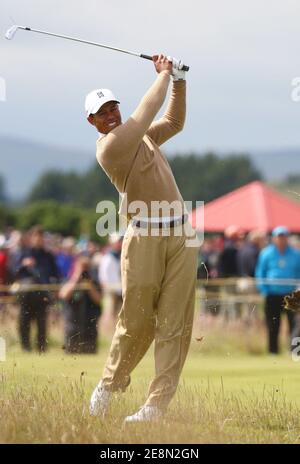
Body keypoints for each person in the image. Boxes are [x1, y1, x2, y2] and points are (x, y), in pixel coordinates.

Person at [85, 54, 198, 422]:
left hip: (181, 232)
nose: (112, 114)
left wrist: (179, 81)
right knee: (137, 321)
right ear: (93, 122)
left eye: (114, 106)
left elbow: (173, 121)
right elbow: (146, 114)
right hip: (144, 235)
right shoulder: (110, 148)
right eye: (103, 112)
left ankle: (155, 406)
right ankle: (109, 384)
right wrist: (164, 74)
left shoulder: (141, 137)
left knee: (174, 323)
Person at [255, 226, 300, 354]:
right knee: (273, 324)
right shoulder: (266, 253)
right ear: (274, 238)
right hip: (272, 295)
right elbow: (260, 273)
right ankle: (273, 352)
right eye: (279, 237)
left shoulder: (296, 254)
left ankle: (295, 351)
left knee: (295, 324)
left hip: (292, 295)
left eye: (284, 237)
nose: (281, 239)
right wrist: (264, 290)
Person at [16, 225, 59, 352]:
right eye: (36, 237)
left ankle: (41, 348)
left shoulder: (48, 255)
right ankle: (25, 347)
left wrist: (54, 288)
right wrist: (23, 265)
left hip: (42, 294)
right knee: (24, 322)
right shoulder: (24, 253)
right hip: (26, 295)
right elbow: (15, 271)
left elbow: (54, 274)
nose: (38, 240)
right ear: (31, 238)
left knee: (42, 323)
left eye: (41, 237)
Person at [59, 256, 102, 354]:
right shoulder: (69, 280)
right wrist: (76, 277)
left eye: (86, 267)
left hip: (89, 324)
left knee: (89, 353)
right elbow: (63, 295)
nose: (84, 270)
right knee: (71, 352)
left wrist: (88, 284)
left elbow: (98, 299)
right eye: (82, 267)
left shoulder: (93, 282)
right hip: (72, 324)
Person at [98, 232, 123, 329]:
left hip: (121, 290)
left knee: (120, 316)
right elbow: (103, 277)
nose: (120, 243)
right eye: (118, 241)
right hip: (110, 291)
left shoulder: (121, 256)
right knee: (109, 314)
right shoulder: (107, 257)